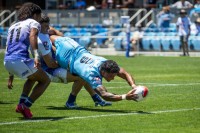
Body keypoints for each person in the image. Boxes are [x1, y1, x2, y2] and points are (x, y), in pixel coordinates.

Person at [49, 35, 139, 104]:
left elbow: (124, 73)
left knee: (49, 37)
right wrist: (124, 97)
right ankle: (73, 101)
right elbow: (104, 94)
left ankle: (92, 100)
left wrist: (133, 85)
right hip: (65, 58)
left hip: (73, 46)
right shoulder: (92, 74)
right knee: (47, 41)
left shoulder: (105, 62)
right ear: (103, 72)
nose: (113, 78)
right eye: (111, 76)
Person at [4, 3, 50, 119]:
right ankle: (25, 106)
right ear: (35, 15)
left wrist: (10, 76)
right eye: (39, 16)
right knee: (45, 80)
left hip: (7, 61)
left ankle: (21, 103)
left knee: (32, 77)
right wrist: (36, 56)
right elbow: (32, 36)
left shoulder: (13, 26)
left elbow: (8, 47)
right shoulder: (33, 22)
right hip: (20, 60)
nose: (39, 20)